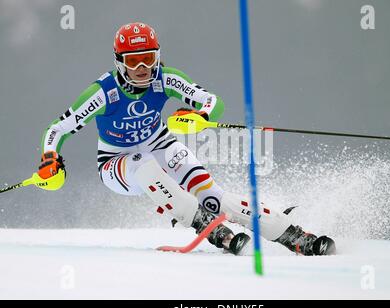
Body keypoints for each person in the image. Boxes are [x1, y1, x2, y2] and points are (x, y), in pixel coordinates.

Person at [38, 22, 335, 256]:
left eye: (148, 59)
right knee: (143, 164)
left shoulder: (164, 78)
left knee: (213, 198)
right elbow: (57, 129)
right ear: (119, 62)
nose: (142, 69)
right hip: (116, 164)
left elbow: (211, 101)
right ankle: (204, 224)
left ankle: (295, 236)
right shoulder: (103, 93)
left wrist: (201, 118)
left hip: (162, 146)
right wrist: (49, 158)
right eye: (133, 61)